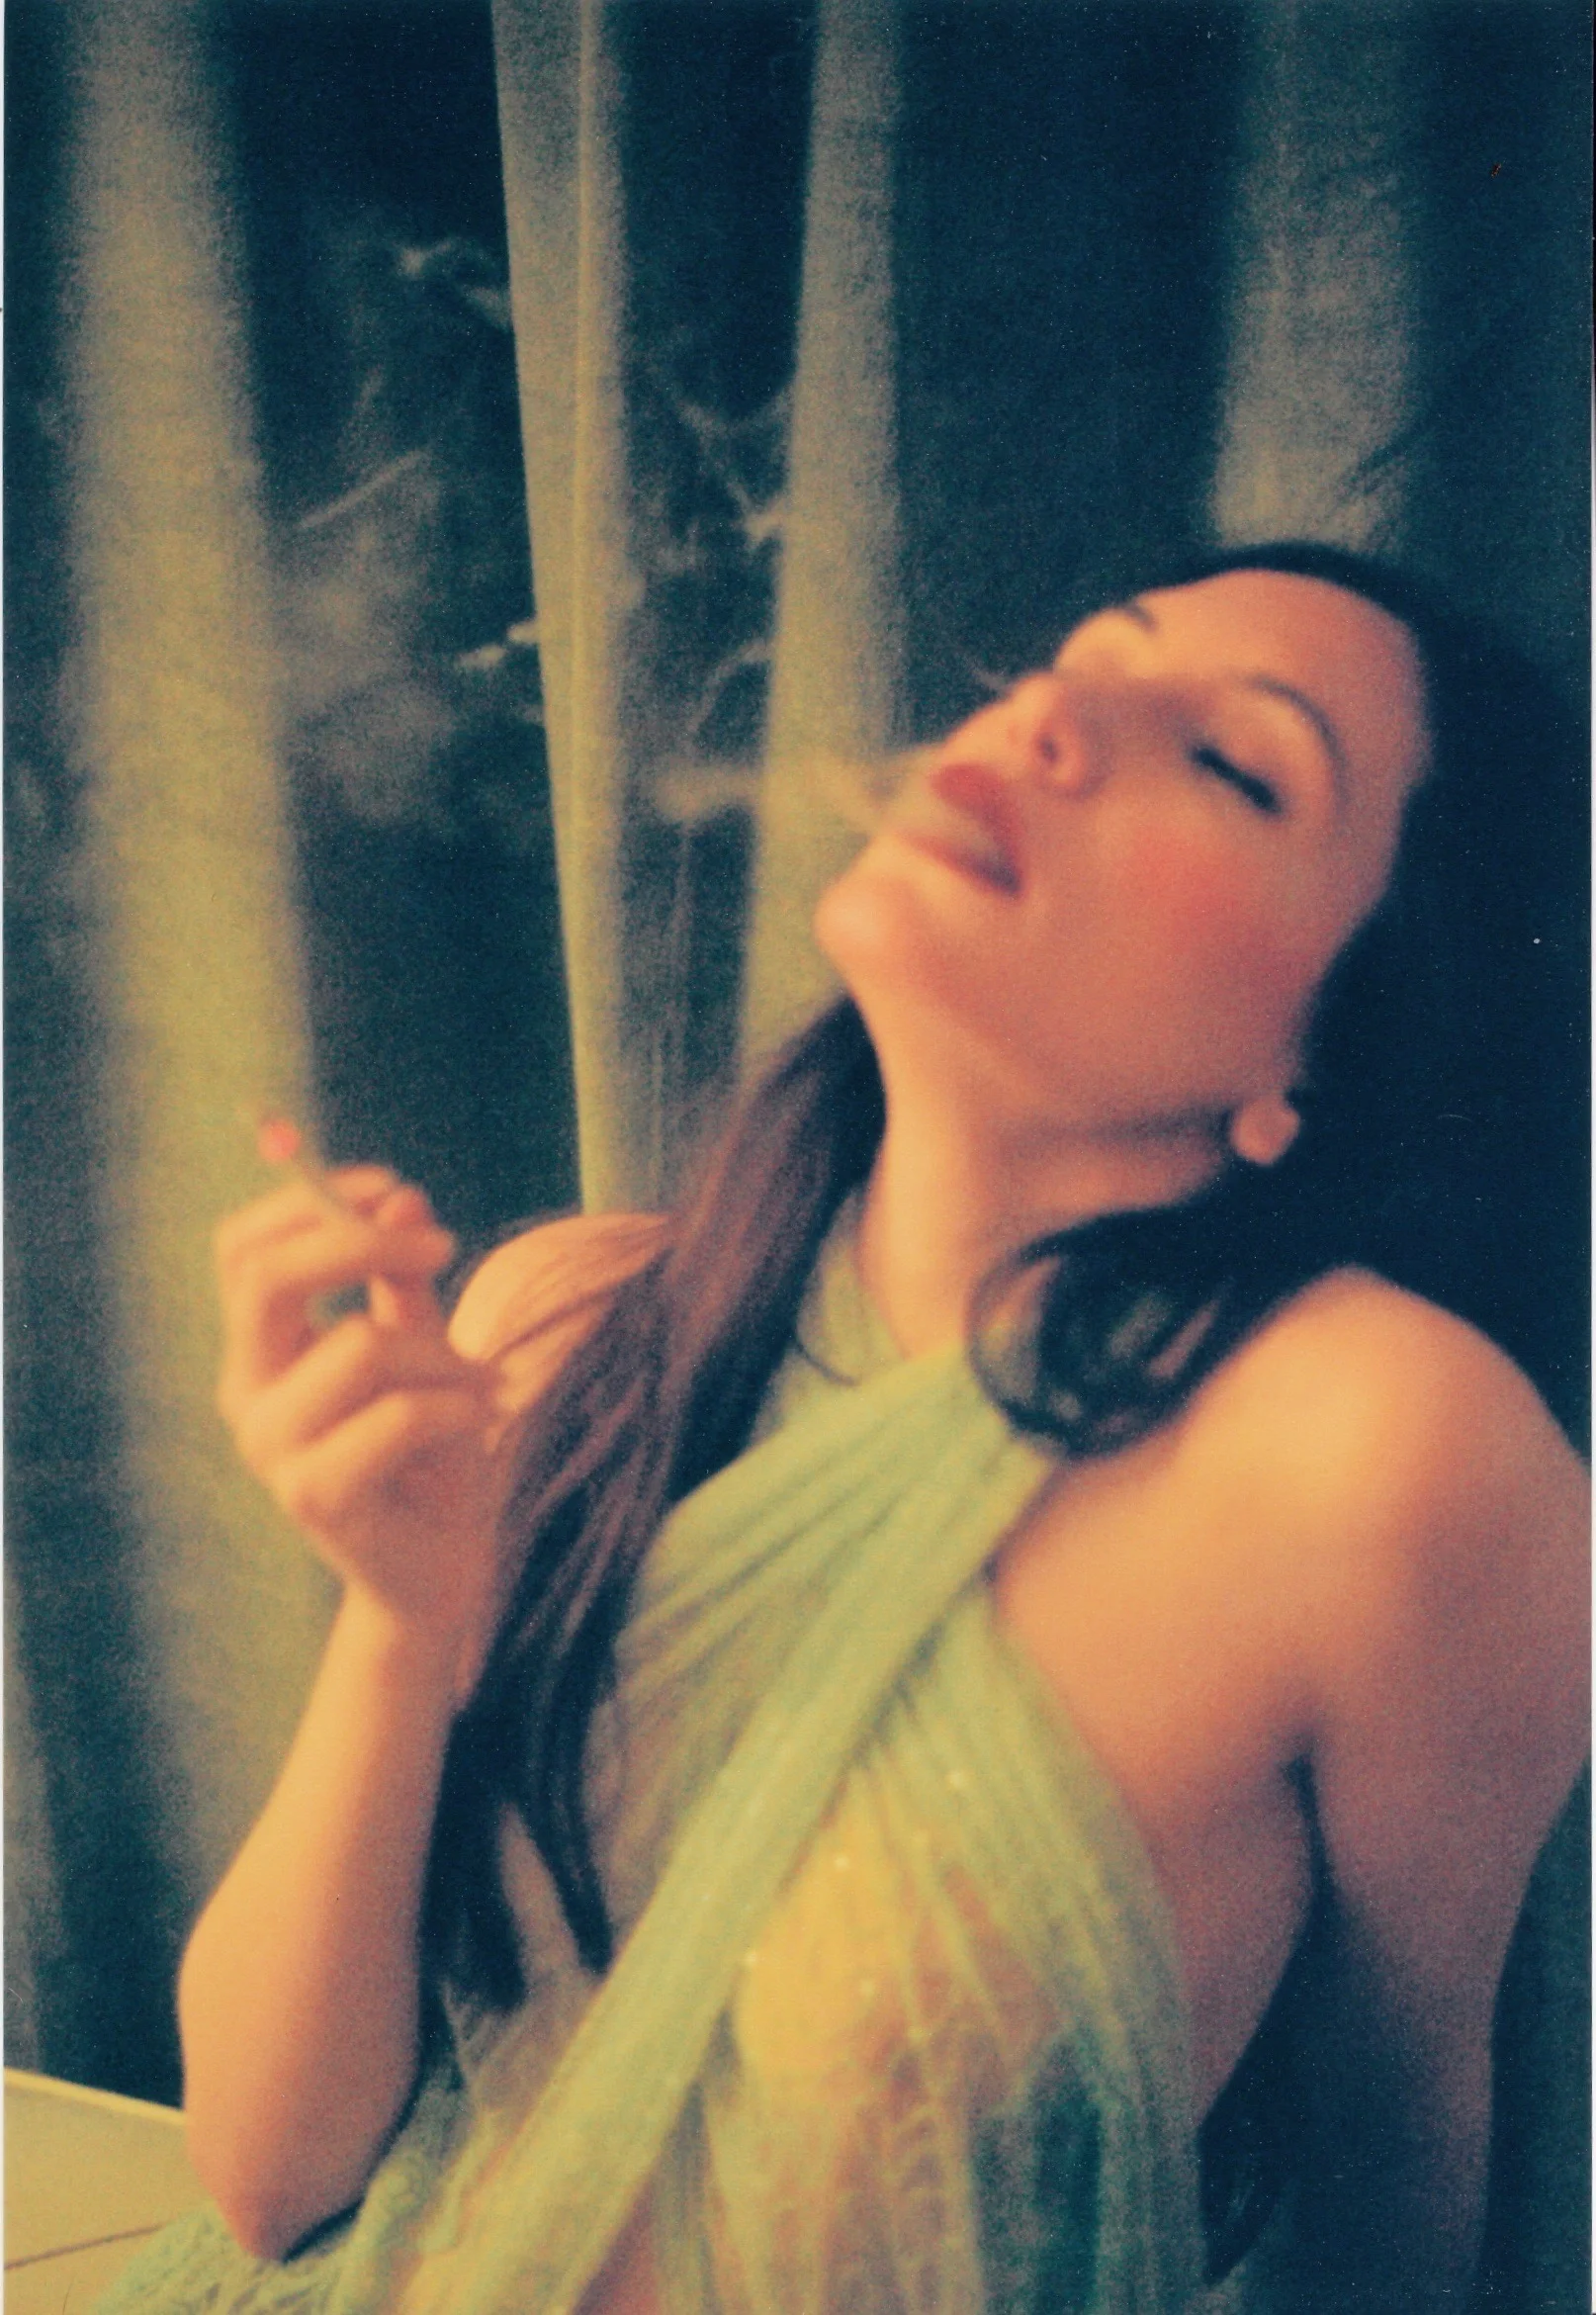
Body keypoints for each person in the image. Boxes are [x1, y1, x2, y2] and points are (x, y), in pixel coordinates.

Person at [99, 545, 1587, 2314]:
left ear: (1326, 1053)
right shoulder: (564, 1320)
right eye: (1077, 660)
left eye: (1227, 762)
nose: (1054, 715)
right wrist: (398, 1619)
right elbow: (271, 2177)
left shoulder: (1391, 1459)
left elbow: (1389, 2169)